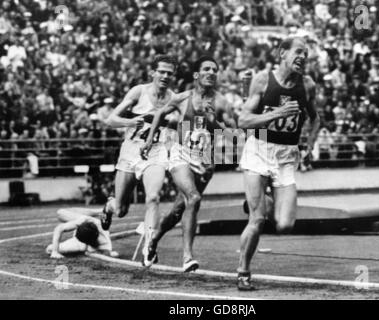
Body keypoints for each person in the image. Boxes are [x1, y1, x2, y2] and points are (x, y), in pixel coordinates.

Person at [237, 37, 320, 291]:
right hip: (259, 150)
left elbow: (316, 120)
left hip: (286, 156)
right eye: (298, 52)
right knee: (257, 220)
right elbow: (243, 120)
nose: (303, 57)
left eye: (306, 54)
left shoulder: (307, 85)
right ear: (282, 53)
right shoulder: (263, 79)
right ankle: (243, 272)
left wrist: (308, 146)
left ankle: (266, 199)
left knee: (285, 225)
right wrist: (276, 113)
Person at [140, 56, 236, 272]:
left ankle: (153, 239)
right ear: (196, 75)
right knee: (194, 197)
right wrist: (149, 140)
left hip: (204, 163)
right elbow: (158, 115)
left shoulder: (221, 103)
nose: (211, 72)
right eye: (206, 69)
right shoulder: (183, 98)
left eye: (214, 69)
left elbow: (234, 136)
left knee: (178, 210)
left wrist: (216, 123)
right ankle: (187, 257)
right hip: (180, 155)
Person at [105, 55, 177, 263]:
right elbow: (111, 120)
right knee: (121, 209)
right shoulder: (139, 91)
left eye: (169, 73)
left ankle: (149, 248)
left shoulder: (175, 98)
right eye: (161, 71)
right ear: (152, 72)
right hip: (130, 153)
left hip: (155, 154)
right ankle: (109, 207)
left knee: (153, 197)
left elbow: (183, 125)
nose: (165, 76)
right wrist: (131, 121)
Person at [46, 200, 118, 258]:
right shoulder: (82, 220)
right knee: (50, 249)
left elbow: (107, 253)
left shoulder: (103, 235)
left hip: (84, 241)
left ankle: (101, 211)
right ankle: (99, 211)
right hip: (80, 240)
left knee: (61, 212)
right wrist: (55, 252)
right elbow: (59, 228)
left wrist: (109, 253)